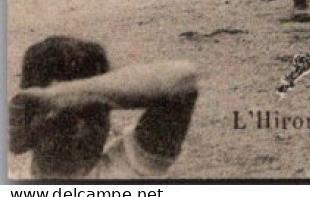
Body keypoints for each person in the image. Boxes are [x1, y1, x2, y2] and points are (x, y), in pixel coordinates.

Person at [8, 37, 197, 180]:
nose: (80, 130)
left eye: (93, 116)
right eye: (65, 119)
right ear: (29, 113)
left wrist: (60, 96)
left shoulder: (128, 168)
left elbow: (183, 80)